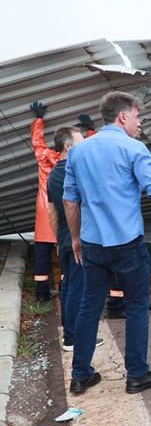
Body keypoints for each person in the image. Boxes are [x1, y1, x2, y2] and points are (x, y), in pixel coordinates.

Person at [63, 91, 151, 395]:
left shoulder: (78, 152)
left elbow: (70, 200)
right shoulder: (133, 148)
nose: (140, 124)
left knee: (89, 306)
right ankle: (137, 375)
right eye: (138, 117)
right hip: (127, 245)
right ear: (123, 116)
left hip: (92, 244)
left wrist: (75, 239)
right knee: (136, 307)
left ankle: (80, 374)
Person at [47, 126, 105, 352]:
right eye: (81, 141)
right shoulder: (75, 171)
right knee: (79, 288)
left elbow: (52, 212)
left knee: (69, 286)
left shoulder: (52, 175)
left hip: (64, 237)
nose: (85, 145)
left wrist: (59, 240)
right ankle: (73, 337)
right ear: (68, 147)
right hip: (78, 237)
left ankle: (68, 332)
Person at [29, 101, 59, 302]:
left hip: (43, 212)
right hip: (62, 213)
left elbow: (38, 143)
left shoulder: (44, 159)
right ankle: (66, 288)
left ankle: (41, 293)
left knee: (41, 254)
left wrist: (38, 118)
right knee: (66, 253)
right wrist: (91, 130)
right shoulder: (69, 163)